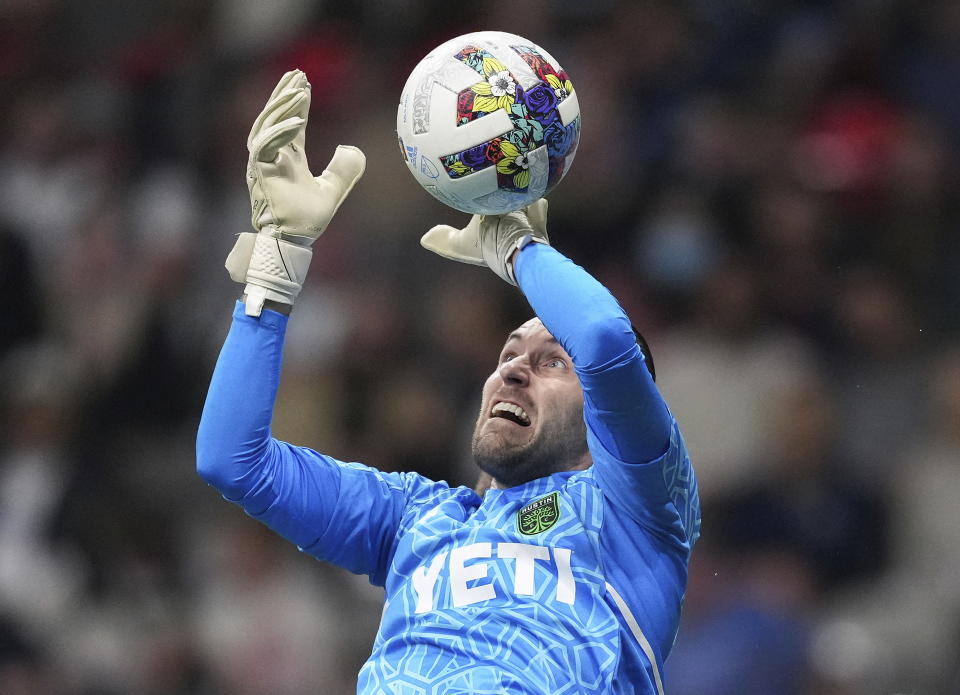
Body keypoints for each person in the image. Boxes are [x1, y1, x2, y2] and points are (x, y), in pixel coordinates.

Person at [197, 69, 700, 695]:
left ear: (607, 419)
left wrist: (514, 245)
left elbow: (602, 341)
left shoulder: (638, 510)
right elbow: (232, 461)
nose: (513, 367)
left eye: (550, 363)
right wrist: (280, 255)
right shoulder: (417, 518)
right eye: (509, 352)